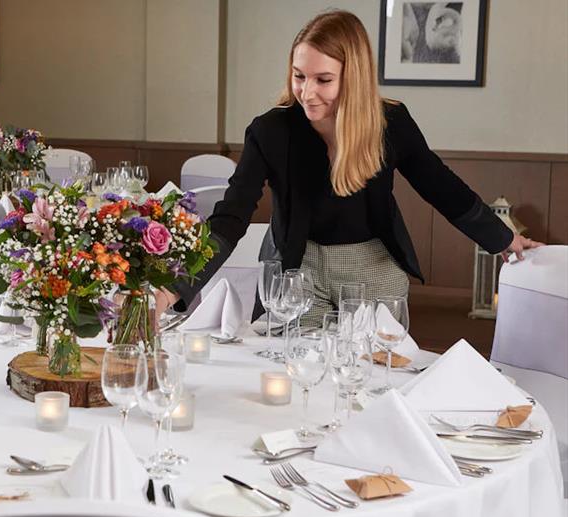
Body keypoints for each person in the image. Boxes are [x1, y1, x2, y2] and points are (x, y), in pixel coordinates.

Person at [159, 10, 540, 324]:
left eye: (323, 80)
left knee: (368, 377)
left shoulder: (390, 123)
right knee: (300, 376)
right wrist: (175, 283)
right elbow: (230, 216)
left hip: (372, 267)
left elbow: (440, 186)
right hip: (298, 269)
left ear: (353, 76)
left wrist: (501, 238)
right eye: (299, 76)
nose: (307, 92)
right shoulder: (269, 130)